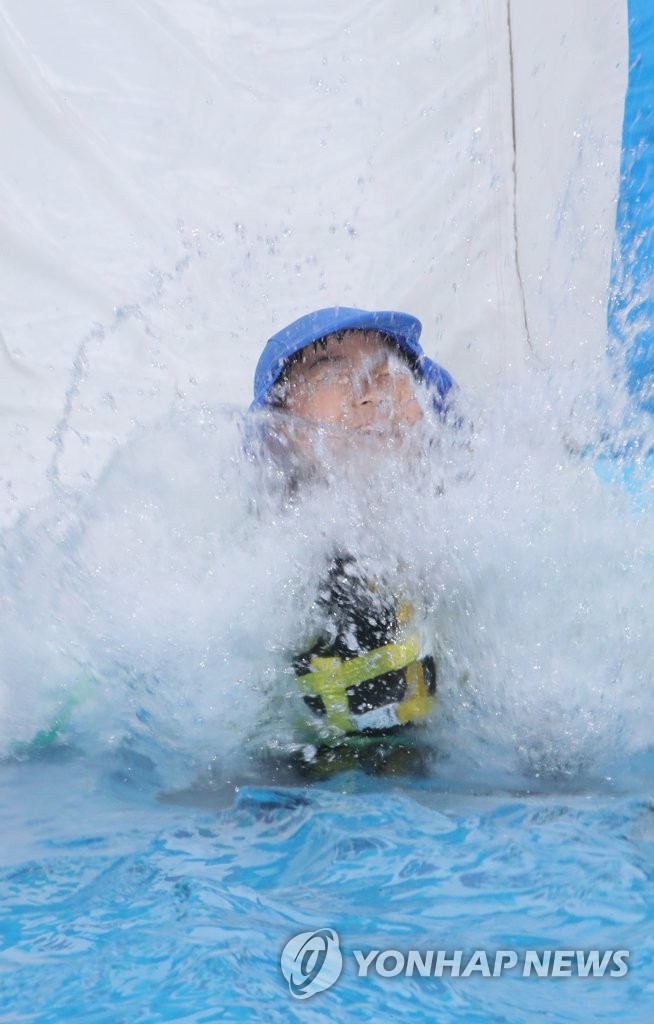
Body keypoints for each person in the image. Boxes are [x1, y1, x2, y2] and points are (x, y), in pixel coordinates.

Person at [249, 306, 458, 777]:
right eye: (331, 373)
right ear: (280, 430)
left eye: (388, 372)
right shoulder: (259, 559)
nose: (369, 393)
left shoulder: (473, 528)